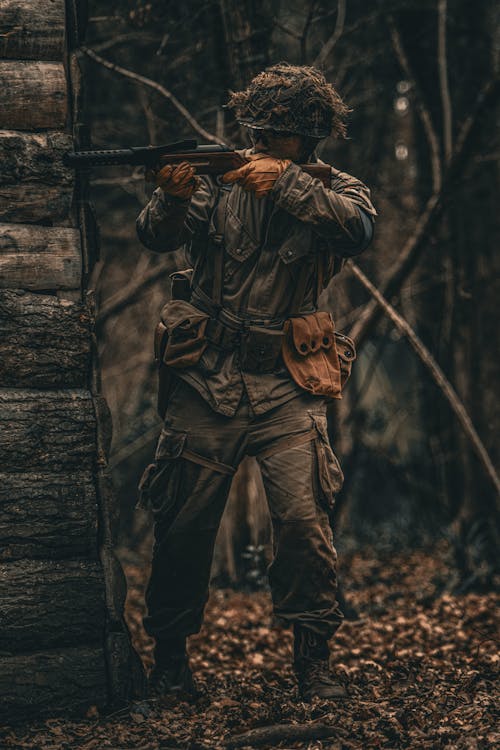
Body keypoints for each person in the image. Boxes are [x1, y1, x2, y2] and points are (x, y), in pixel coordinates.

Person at [136, 63, 376, 702]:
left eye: (282, 136)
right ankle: (169, 666)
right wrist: (174, 195)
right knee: (182, 525)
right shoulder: (219, 182)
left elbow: (357, 231)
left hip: (289, 385)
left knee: (303, 523)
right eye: (260, 132)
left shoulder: (338, 188)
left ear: (311, 139)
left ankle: (314, 661)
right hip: (207, 379)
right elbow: (155, 237)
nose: (266, 144)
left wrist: (286, 184)